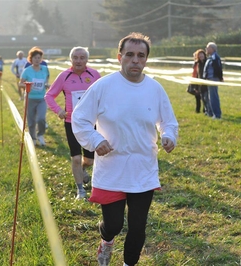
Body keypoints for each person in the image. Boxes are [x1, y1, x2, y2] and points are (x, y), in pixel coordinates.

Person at [71, 32, 178, 266]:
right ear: (120, 57)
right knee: (114, 225)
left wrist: (168, 136)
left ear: (147, 59)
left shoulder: (155, 89)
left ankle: (129, 263)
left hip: (143, 170)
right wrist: (95, 140)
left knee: (138, 227)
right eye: (130, 55)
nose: (135, 60)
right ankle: (106, 241)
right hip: (112, 169)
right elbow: (79, 118)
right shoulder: (103, 86)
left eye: (141, 55)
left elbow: (168, 122)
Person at [45, 47, 101, 199]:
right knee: (76, 157)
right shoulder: (64, 76)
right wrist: (59, 111)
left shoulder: (94, 75)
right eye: (75, 57)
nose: (78, 60)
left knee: (89, 160)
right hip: (72, 122)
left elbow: (104, 94)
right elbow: (49, 96)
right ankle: (80, 191)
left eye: (82, 57)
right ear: (71, 60)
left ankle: (83, 169)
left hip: (91, 122)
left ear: (87, 60)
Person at [19, 47, 50, 146]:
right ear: (30, 59)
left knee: (41, 118)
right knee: (31, 121)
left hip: (41, 99)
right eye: (35, 58)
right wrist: (27, 85)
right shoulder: (27, 71)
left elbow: (46, 80)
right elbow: (20, 84)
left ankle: (40, 134)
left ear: (41, 59)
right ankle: (33, 138)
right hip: (30, 99)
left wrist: (47, 85)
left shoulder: (45, 69)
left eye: (39, 58)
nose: (37, 60)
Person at [203, 42, 223, 119]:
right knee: (210, 97)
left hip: (213, 79)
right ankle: (211, 113)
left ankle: (217, 115)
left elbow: (218, 68)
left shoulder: (215, 57)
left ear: (212, 49)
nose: (206, 49)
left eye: (208, 48)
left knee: (213, 97)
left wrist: (220, 78)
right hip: (209, 79)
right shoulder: (211, 57)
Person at [192, 49, 209, 115]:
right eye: (199, 55)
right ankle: (199, 110)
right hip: (198, 82)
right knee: (199, 97)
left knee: (206, 97)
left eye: (202, 54)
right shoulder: (197, 63)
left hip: (206, 82)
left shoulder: (207, 62)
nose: (201, 56)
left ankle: (206, 110)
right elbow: (195, 73)